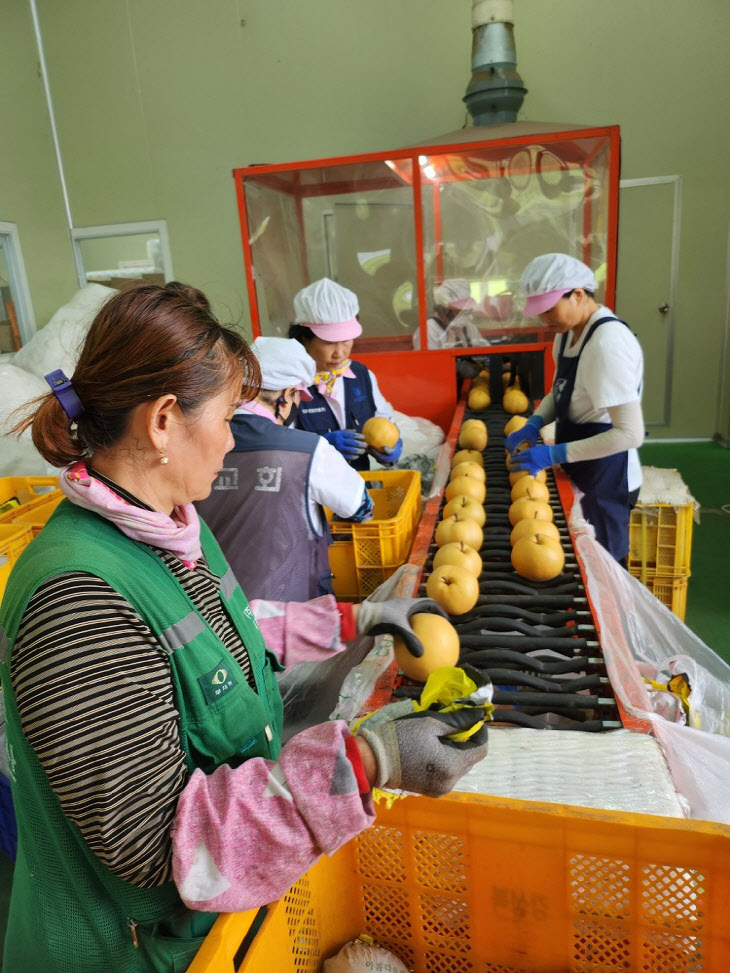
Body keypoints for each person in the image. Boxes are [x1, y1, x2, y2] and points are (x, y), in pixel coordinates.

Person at [0, 281, 488, 973]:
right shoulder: (77, 599)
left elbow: (224, 632)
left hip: (201, 935)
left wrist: (357, 619)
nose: (234, 438)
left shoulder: (167, 524)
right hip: (128, 952)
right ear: (164, 420)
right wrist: (367, 761)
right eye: (230, 416)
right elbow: (163, 850)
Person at [195, 336, 374, 602]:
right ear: (287, 395)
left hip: (216, 614)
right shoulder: (309, 450)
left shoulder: (196, 443)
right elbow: (361, 508)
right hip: (291, 615)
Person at [505, 253, 644, 563]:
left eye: (549, 309)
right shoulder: (567, 334)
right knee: (580, 560)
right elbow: (560, 390)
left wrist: (554, 454)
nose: (544, 320)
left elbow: (630, 434)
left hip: (608, 472)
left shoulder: (607, 344)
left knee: (606, 567)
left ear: (578, 295)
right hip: (581, 461)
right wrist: (535, 422)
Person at [289, 277, 402, 470]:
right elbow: (274, 449)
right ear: (304, 339)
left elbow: (384, 420)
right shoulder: (288, 382)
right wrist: (319, 447)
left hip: (360, 487)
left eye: (346, 340)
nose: (340, 352)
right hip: (311, 494)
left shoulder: (361, 375)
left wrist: (392, 448)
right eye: (329, 342)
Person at [413, 278, 482, 350]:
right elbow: (428, 359)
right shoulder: (429, 329)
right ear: (444, 310)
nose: (466, 316)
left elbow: (482, 352)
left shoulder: (470, 327)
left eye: (467, 311)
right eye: (459, 311)